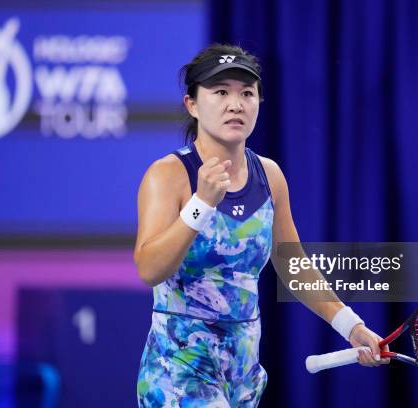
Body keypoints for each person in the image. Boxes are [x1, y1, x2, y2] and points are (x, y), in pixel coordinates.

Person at [134, 43, 388, 407]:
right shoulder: (168, 175)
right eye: (220, 92)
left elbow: (294, 268)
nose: (235, 104)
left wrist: (352, 326)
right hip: (178, 371)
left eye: (246, 93)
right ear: (192, 104)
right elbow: (148, 267)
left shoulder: (270, 176)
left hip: (243, 375)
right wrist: (201, 204)